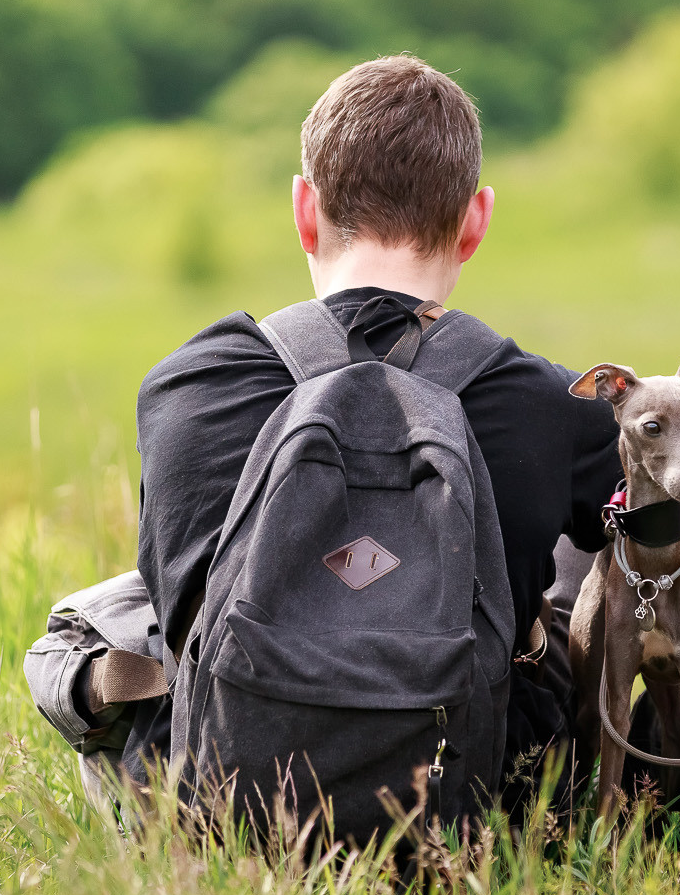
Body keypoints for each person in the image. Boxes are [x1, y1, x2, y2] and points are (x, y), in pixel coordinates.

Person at [131, 54, 620, 806]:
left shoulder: (188, 385)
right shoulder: (558, 405)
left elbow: (173, 605)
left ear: (304, 210)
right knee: (594, 541)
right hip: (468, 812)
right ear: (474, 222)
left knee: (104, 615)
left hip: (231, 808)